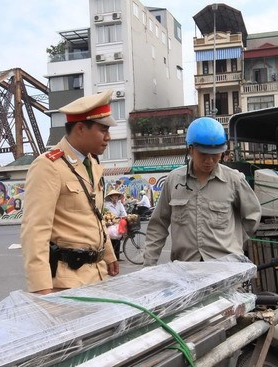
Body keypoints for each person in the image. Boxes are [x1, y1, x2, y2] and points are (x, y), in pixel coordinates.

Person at [21, 90, 119, 294]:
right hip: (68, 282)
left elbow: (95, 215)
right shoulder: (49, 166)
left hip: (98, 275)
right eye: (103, 130)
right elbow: (35, 230)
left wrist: (109, 255)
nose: (108, 137)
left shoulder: (91, 164)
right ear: (81, 128)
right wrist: (41, 288)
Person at [143, 117, 262, 266]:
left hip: (225, 270)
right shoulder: (173, 181)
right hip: (186, 270)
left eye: (215, 155)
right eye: (203, 154)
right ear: (190, 149)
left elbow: (252, 218)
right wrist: (148, 265)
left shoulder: (234, 180)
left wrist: (234, 246)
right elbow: (158, 225)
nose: (209, 161)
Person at [104, 189, 127, 261]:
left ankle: (117, 257)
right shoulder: (107, 205)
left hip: (118, 223)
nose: (115, 198)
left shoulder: (120, 204)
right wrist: (110, 221)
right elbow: (105, 215)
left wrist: (123, 217)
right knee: (112, 239)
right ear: (111, 197)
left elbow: (124, 214)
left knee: (118, 239)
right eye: (114, 197)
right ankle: (112, 257)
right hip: (110, 223)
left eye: (116, 197)